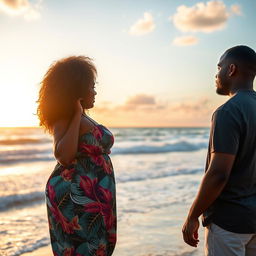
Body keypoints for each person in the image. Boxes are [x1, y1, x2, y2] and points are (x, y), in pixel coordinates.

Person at [37, 56, 116, 256]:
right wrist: (75, 115)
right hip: (75, 196)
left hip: (92, 194)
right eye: (91, 86)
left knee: (97, 247)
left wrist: (79, 114)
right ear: (77, 89)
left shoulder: (82, 116)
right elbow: (63, 155)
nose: (95, 91)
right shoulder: (66, 116)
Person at [182, 45, 256, 256]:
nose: (216, 74)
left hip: (229, 223)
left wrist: (192, 215)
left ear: (231, 69)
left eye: (219, 67)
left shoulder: (228, 111)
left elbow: (218, 174)